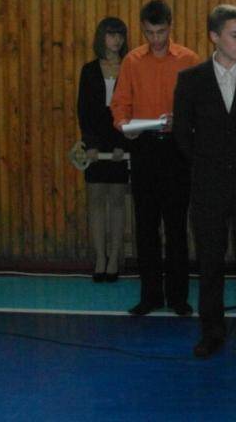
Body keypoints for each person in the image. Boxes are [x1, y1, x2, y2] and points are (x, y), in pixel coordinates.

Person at [173, 4, 236, 360]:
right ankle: (211, 331)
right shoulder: (191, 79)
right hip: (208, 184)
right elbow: (182, 133)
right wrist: (207, 165)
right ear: (214, 37)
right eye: (235, 35)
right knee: (209, 262)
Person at [111, 0, 199, 316]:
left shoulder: (189, 59)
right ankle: (150, 296)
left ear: (170, 27)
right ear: (142, 29)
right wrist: (124, 126)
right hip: (144, 147)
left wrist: (183, 121)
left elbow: (200, 105)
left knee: (176, 226)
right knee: (145, 225)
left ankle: (178, 297)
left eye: (160, 32)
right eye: (149, 33)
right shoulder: (132, 61)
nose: (156, 39)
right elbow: (120, 103)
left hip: (177, 148)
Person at [77, 17, 130, 283]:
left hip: (121, 140)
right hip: (95, 143)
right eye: (111, 34)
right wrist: (91, 145)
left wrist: (124, 144)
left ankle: (114, 259)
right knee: (96, 200)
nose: (116, 40)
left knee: (118, 200)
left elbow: (132, 108)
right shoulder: (88, 70)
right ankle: (100, 257)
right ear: (101, 37)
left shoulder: (130, 68)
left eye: (120, 35)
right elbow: (83, 111)